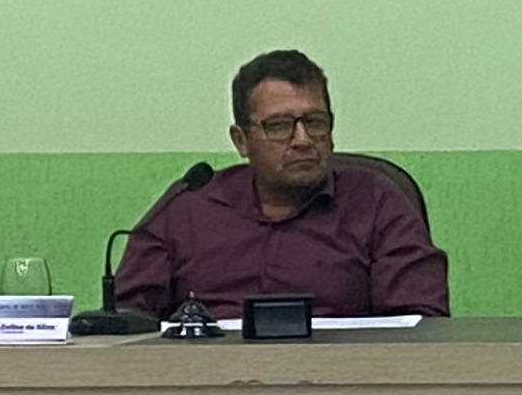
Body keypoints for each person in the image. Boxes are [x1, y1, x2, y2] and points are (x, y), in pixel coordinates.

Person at [114, 49, 449, 319]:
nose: (302, 140)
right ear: (241, 140)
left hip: (342, 375)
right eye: (279, 126)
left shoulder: (375, 201)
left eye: (315, 122)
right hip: (209, 378)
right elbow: (127, 319)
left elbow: (420, 322)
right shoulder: (189, 207)